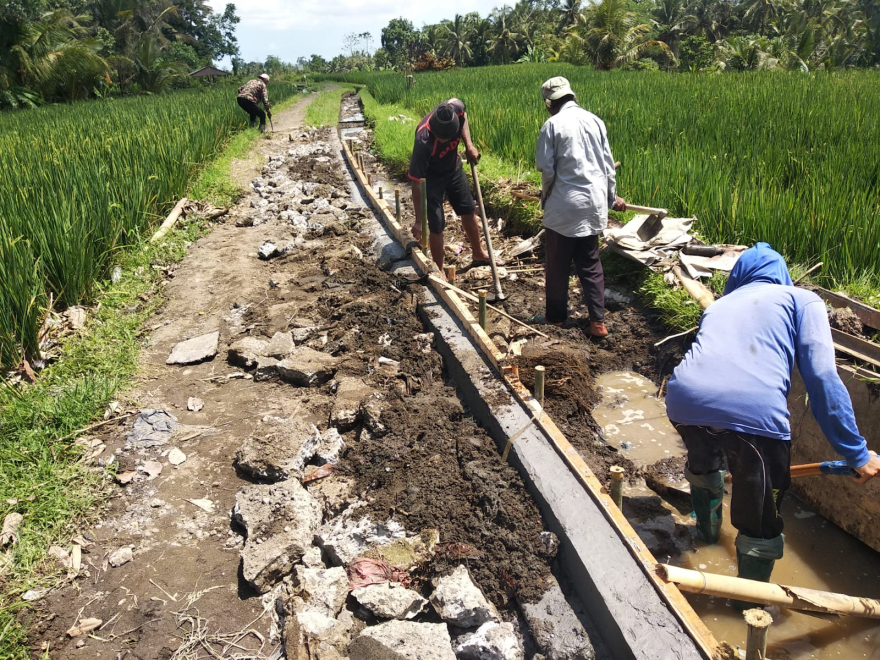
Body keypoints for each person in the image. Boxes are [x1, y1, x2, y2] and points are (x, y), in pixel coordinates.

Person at [665, 242, 880, 607]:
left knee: (705, 465)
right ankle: (748, 608)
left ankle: (706, 537)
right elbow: (823, 377)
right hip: (754, 411)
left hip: (684, 399)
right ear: (781, 275)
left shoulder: (719, 305)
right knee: (760, 522)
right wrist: (856, 452)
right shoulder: (802, 299)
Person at [535, 76, 625, 338]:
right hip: (593, 203)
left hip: (565, 204)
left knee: (557, 264)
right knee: (590, 263)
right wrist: (610, 198)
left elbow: (547, 170)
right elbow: (608, 167)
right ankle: (597, 321)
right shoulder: (596, 121)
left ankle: (555, 317)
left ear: (549, 103)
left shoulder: (551, 125)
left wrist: (546, 197)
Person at [408, 98, 494, 274]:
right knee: (436, 224)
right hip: (431, 178)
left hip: (453, 169)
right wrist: (418, 220)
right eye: (443, 139)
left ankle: (478, 254)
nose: (447, 142)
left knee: (468, 209)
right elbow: (416, 182)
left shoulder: (457, 108)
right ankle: (439, 270)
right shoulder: (423, 140)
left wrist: (469, 145)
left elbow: (464, 119)